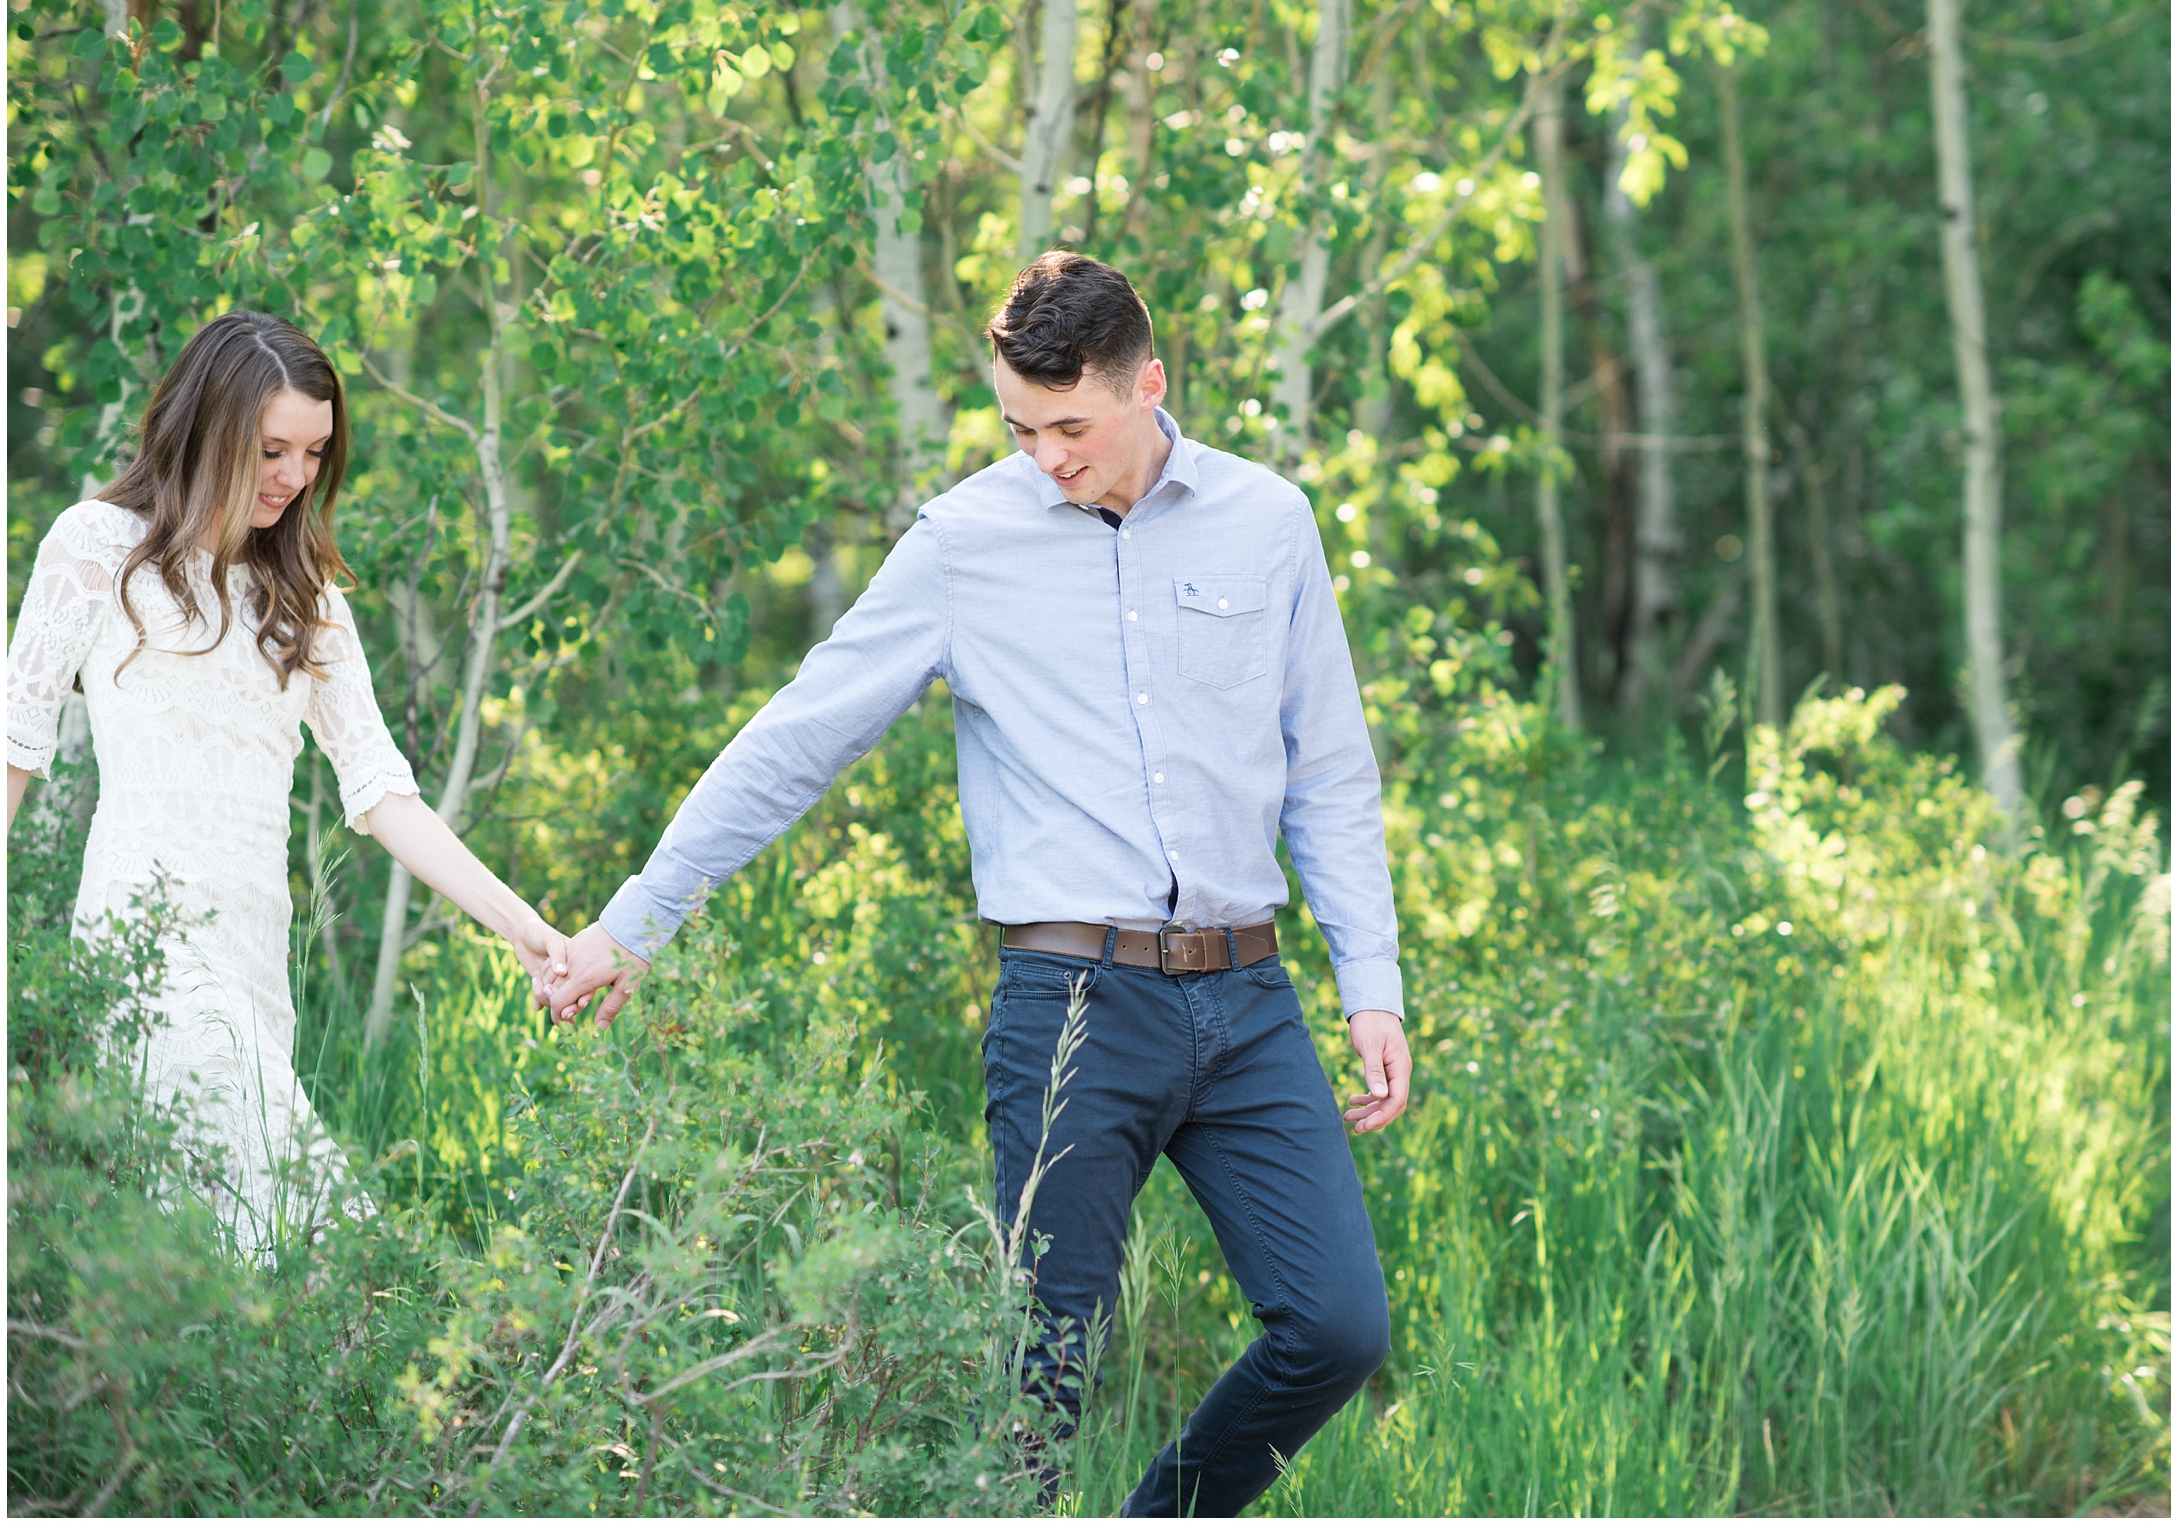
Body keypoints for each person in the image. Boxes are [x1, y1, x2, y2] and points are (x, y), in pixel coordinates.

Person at [544, 252, 1413, 1516]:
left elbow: (1328, 766)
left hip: (1247, 998)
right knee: (1041, 1375)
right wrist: (634, 924)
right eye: (1020, 425)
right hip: (1069, 1003)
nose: (1047, 455)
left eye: (1073, 425)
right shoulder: (964, 543)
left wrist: (1370, 981)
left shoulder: (1268, 523)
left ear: (1148, 385)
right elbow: (800, 737)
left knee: (1337, 1330)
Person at [6, 311, 570, 1256]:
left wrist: (525, 929)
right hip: (143, 946)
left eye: (315, 453)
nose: (296, 477)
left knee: (225, 1251)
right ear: (210, 429)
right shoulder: (97, 547)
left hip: (257, 959)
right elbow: (14, 745)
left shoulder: (308, 597)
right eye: (272, 449)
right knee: (312, 1234)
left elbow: (384, 792)